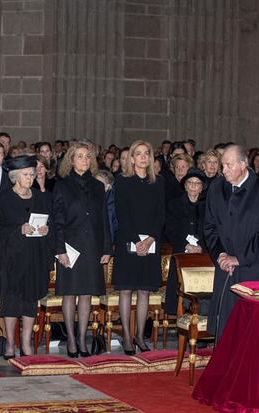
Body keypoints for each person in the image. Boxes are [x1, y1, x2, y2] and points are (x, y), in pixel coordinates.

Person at [205, 145, 259, 339]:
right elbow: (210, 227)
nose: (224, 170)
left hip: (254, 269)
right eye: (223, 165)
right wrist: (220, 254)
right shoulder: (216, 188)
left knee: (250, 330)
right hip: (225, 268)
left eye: (229, 165)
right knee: (225, 328)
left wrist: (238, 258)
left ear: (244, 165)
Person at [0, 155, 53, 358]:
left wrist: (46, 231)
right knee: (12, 302)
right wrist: (19, 230)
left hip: (34, 257)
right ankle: (10, 344)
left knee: (30, 301)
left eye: (32, 174)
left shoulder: (39, 197)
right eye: (26, 174)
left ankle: (26, 344)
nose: (30, 178)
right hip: (10, 259)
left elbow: (50, 224)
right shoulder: (5, 198)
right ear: (15, 177)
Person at [53, 142, 111, 358]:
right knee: (69, 294)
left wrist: (106, 247)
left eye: (88, 156)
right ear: (71, 160)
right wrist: (60, 250)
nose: (85, 160)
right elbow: (57, 220)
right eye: (80, 156)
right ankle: (70, 338)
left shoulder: (97, 186)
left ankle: (81, 338)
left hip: (92, 247)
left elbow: (104, 219)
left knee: (86, 294)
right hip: (70, 247)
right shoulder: (62, 186)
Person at [112, 140, 165, 354]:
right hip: (128, 240)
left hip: (151, 241)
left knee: (144, 291)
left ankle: (140, 336)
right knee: (126, 290)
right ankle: (126, 336)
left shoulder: (158, 182)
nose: (143, 157)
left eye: (147, 154)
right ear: (131, 158)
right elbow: (122, 214)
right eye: (139, 154)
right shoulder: (123, 181)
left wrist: (150, 239)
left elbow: (161, 214)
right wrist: (137, 241)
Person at [164, 168, 207, 315]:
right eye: (190, 182)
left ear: (202, 187)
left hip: (202, 255)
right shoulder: (174, 204)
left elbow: (212, 229)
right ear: (185, 185)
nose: (194, 186)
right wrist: (185, 244)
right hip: (181, 252)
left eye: (197, 183)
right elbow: (170, 229)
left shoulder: (208, 206)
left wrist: (201, 247)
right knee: (179, 287)